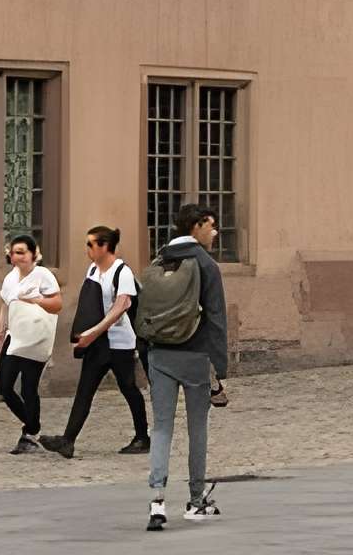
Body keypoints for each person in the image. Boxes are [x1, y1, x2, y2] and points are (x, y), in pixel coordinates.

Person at [135, 203, 230, 532]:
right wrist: (220, 370)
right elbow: (216, 319)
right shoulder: (206, 264)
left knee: (161, 428)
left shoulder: (160, 259)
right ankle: (195, 500)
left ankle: (157, 500)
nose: (215, 232)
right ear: (196, 226)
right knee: (196, 429)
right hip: (195, 357)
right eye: (211, 225)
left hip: (159, 355)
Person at [44, 225, 148, 460]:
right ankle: (68, 441)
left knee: (128, 388)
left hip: (120, 344)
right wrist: (84, 334)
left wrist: (93, 332)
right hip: (98, 344)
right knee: (85, 390)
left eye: (91, 244)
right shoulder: (92, 270)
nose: (87, 249)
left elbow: (121, 306)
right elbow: (89, 306)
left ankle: (143, 436)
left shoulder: (122, 272)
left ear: (104, 246)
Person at [0, 235, 62, 451]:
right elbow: (5, 306)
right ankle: (33, 426)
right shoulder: (10, 278)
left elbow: (57, 304)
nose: (17, 256)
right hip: (14, 337)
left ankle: (30, 434)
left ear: (34, 254)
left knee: (28, 388)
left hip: (36, 338)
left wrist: (37, 300)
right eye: (14, 252)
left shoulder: (43, 275)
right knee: (4, 386)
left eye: (22, 252)